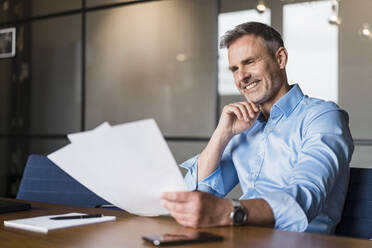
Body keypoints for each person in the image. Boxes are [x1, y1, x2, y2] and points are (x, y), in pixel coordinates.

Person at [161, 22, 354, 234]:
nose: (241, 76)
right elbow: (195, 195)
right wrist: (221, 134)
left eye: (250, 62)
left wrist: (228, 211)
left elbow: (304, 199)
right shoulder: (244, 126)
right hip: (243, 239)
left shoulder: (322, 117)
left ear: (280, 59)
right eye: (234, 69)